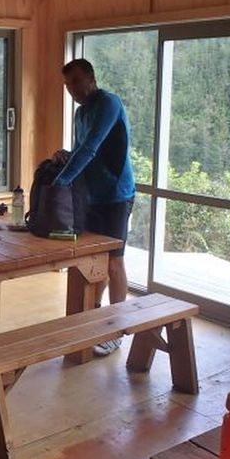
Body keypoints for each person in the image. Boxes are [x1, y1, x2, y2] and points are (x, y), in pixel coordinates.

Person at [53, 58, 135, 357]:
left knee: (114, 261)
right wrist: (66, 157)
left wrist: (59, 184)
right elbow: (81, 149)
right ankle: (94, 316)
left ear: (91, 78)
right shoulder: (80, 113)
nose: (71, 90)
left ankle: (116, 329)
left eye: (75, 82)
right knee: (93, 262)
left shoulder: (109, 103)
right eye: (67, 85)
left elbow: (93, 146)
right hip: (92, 195)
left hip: (117, 194)